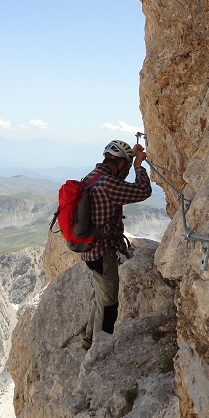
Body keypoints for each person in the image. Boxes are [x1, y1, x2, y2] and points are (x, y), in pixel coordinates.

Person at [80, 139, 152, 350]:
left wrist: (131, 159)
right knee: (109, 300)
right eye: (126, 165)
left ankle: (88, 338)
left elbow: (117, 181)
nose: (127, 168)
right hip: (103, 252)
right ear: (119, 163)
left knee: (100, 295)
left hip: (89, 250)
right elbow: (142, 191)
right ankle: (100, 346)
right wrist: (139, 167)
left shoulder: (94, 176)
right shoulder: (107, 184)